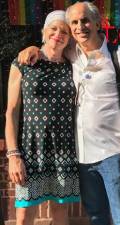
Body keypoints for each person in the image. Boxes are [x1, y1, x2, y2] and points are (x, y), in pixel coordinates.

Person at [17, 2, 120, 225]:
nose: (79, 26)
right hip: (82, 154)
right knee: (96, 216)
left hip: (113, 151)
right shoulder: (72, 54)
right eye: (74, 22)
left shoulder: (119, 55)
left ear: (97, 23)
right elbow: (51, 44)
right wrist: (33, 48)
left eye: (84, 20)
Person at [5, 11, 80, 225]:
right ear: (43, 31)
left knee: (60, 211)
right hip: (30, 149)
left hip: (64, 150)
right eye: (53, 28)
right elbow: (11, 111)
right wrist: (13, 155)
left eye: (64, 31)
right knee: (24, 214)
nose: (58, 34)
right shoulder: (23, 62)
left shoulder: (72, 65)